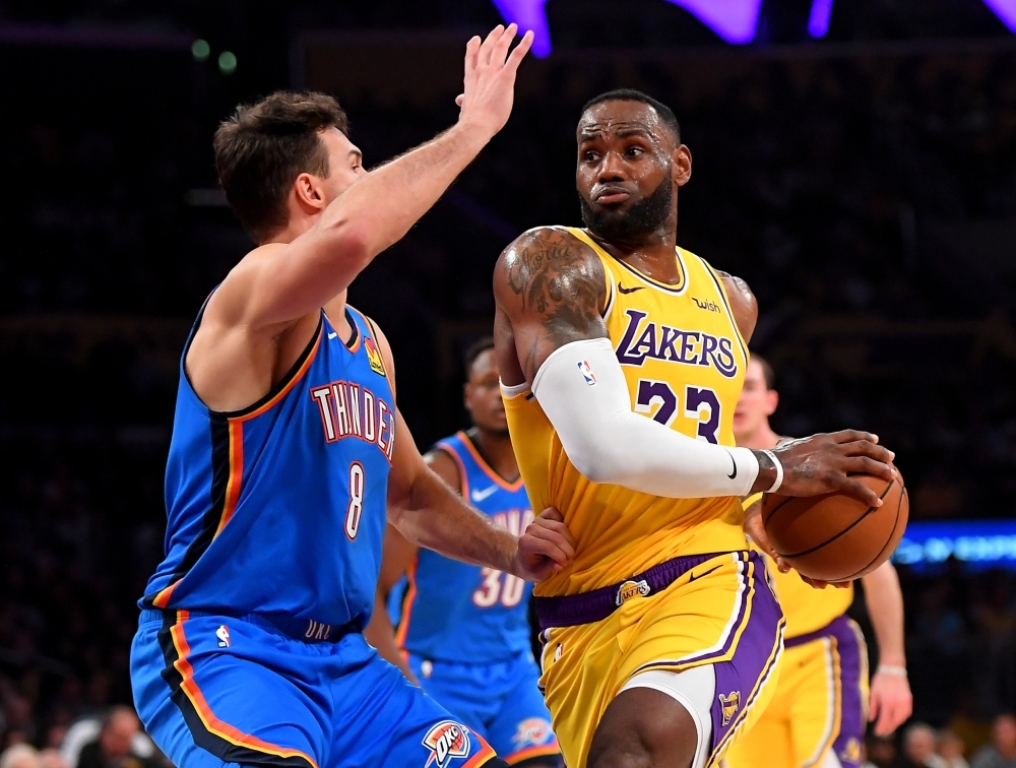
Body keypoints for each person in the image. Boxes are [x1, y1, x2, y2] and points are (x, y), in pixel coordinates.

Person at [130, 25, 577, 768]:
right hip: (229, 647)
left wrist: (511, 552)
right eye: (357, 165)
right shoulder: (253, 294)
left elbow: (410, 498)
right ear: (310, 191)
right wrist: (472, 129)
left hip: (345, 666)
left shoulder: (370, 342)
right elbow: (349, 238)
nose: (372, 177)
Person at [491, 88, 896, 768]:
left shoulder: (732, 301)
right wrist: (773, 470)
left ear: (680, 165)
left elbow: (701, 448)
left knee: (634, 752)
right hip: (576, 608)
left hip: (710, 579)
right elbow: (604, 447)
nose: (608, 169)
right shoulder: (551, 264)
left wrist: (781, 513)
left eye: (632, 151)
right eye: (590, 154)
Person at [365, 337, 561, 768]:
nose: (499, 394)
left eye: (510, 383)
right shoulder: (442, 469)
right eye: (487, 383)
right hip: (436, 671)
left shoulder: (549, 467)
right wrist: (400, 684)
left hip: (514, 670)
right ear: (468, 396)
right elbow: (370, 593)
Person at [724, 355, 913, 768]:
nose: (739, 396)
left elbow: (878, 573)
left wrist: (894, 665)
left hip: (818, 652)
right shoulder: (698, 478)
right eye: (731, 384)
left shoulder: (812, 466)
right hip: (741, 664)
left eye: (750, 386)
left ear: (771, 400)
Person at [76, 709, 152, 768]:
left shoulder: (140, 759)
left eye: (127, 739)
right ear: (104, 733)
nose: (122, 744)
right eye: (119, 737)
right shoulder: (89, 752)